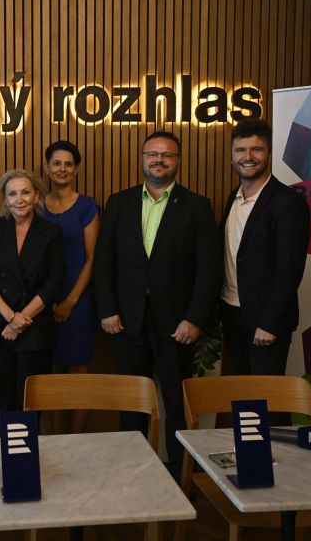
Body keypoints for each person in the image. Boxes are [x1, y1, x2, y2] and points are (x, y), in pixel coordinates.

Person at [93, 130, 221, 480]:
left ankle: (180, 474)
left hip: (177, 326)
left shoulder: (197, 206)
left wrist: (195, 319)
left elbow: (208, 270)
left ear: (178, 161)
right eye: (152, 154)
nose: (159, 160)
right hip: (126, 322)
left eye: (167, 155)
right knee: (131, 402)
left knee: (177, 403)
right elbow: (104, 262)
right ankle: (130, 472)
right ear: (142, 159)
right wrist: (107, 309)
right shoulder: (119, 203)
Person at [0, 169, 65, 433]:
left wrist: (22, 320)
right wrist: (10, 317)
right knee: (0, 401)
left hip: (34, 328)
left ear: (36, 195)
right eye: (12, 193)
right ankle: (3, 456)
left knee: (29, 403)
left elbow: (55, 282)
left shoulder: (51, 232)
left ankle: (25, 458)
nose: (19, 199)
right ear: (5, 199)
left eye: (25, 192)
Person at [220, 118, 310, 377]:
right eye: (240, 150)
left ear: (268, 153)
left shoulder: (288, 202)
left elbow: (290, 269)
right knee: (241, 391)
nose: (247, 157)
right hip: (232, 312)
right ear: (232, 156)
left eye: (256, 149)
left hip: (265, 321)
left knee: (267, 394)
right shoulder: (234, 198)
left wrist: (270, 323)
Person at [42, 140, 100, 433]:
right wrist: (44, 300)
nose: (62, 169)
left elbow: (92, 258)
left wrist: (70, 301)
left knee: (77, 371)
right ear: (47, 168)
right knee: (44, 373)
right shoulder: (35, 205)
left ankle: (78, 440)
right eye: (57, 163)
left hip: (78, 300)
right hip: (41, 301)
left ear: (76, 169)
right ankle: (46, 441)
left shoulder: (88, 207)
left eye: (68, 164)